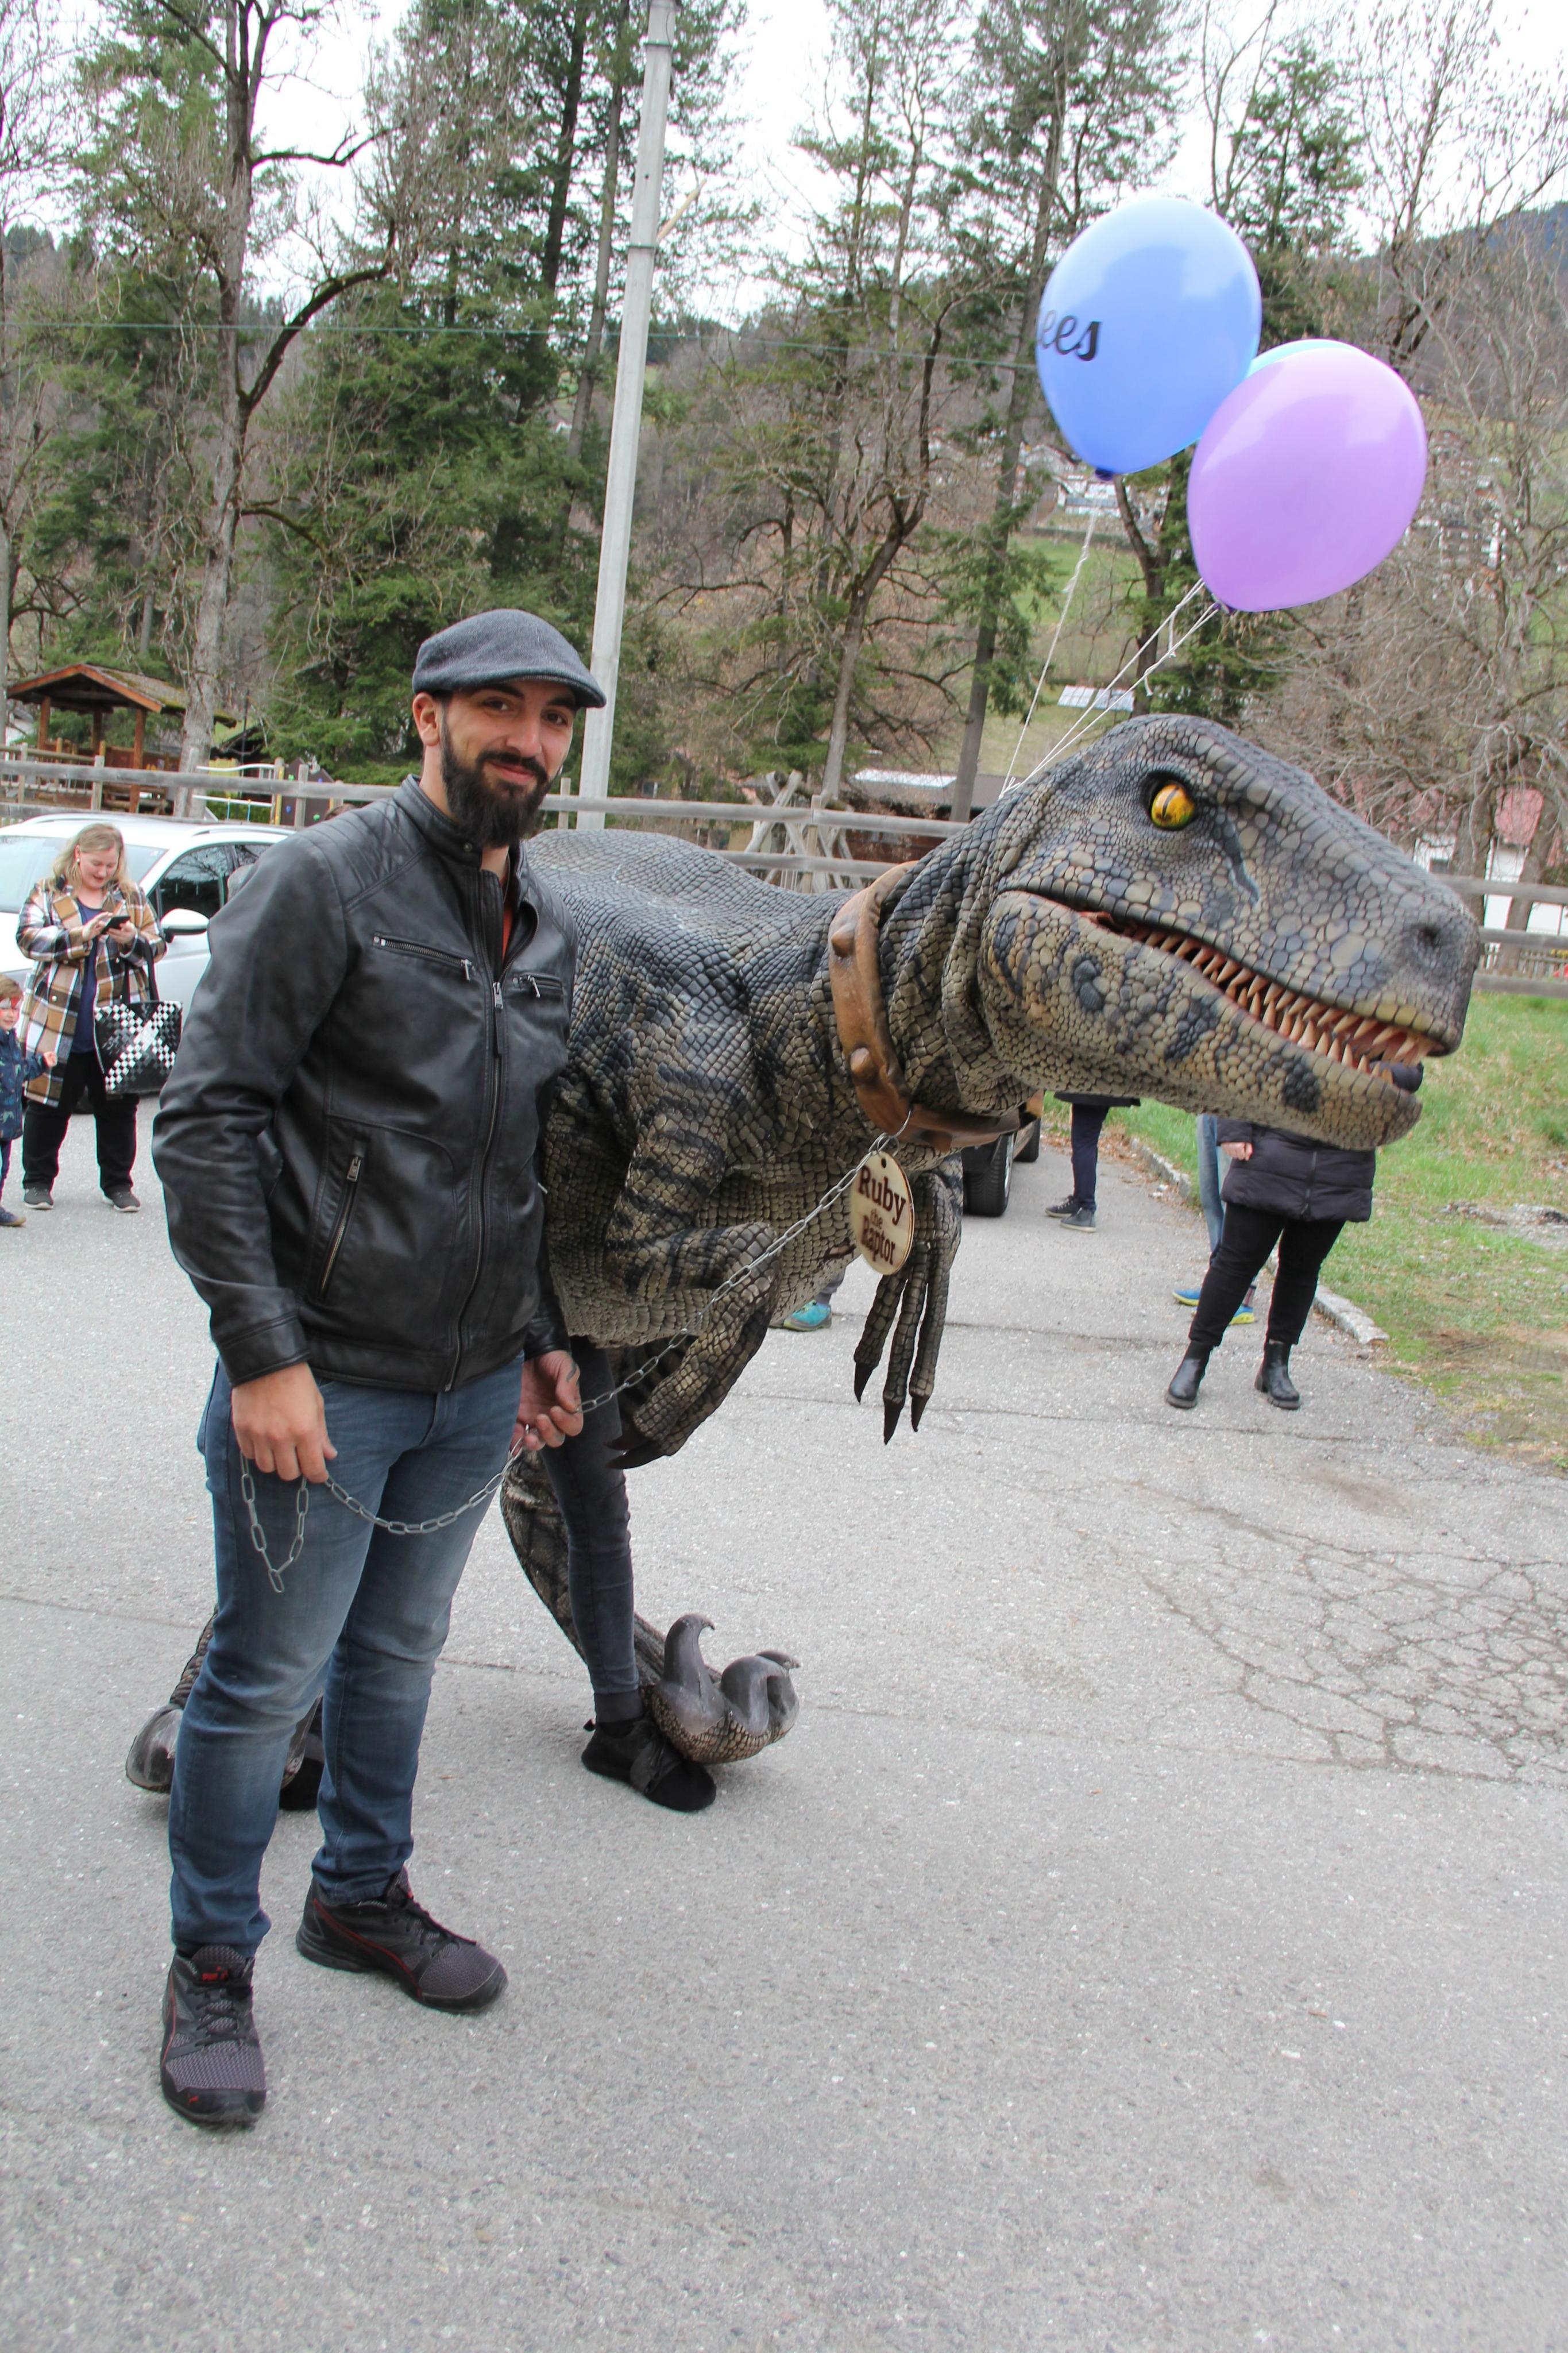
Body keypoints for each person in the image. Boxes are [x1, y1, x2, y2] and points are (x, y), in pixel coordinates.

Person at [149, 610, 600, 2130]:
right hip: (321, 1380)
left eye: (552, 716)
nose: (527, 740)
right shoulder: (322, 882)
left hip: (468, 1389)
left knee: (397, 1656)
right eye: (499, 709)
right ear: (427, 717)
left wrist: (536, 1337)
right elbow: (204, 1121)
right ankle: (212, 1961)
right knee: (261, 1676)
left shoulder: (544, 928)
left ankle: (358, 1895)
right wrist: (262, 1356)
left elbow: (511, 1164)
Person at [1164, 1067, 1420, 1412]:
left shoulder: (1380, 1030)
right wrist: (1235, 1125)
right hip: (1270, 1150)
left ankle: (1277, 1363)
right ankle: (1196, 1358)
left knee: (1302, 1269)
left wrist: (1380, 1066)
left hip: (1341, 1160)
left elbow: (1411, 1074)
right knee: (1234, 1265)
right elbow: (1246, 1051)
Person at [17, 821, 165, 1213]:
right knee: (48, 1104)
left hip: (117, 1027)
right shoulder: (48, 891)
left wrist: (131, 941)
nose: (103, 872)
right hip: (58, 1022)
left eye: (110, 865)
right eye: (97, 864)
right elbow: (27, 938)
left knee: (119, 1109)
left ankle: (118, 1185)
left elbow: (157, 945)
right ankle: (37, 1182)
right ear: (78, 854)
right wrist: (78, 937)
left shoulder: (130, 896)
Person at [1172, 1113, 1256, 1326]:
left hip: (1237, 1114)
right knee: (1211, 1198)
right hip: (1211, 1109)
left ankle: (1242, 1295)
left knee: (1234, 1203)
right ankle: (1216, 1286)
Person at [0, 975, 55, 1225]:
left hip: (6, 1123)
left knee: (3, 1169)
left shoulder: (10, 1039)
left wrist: (41, 1063)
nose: (11, 1015)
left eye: (16, 1009)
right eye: (5, 1008)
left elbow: (18, 1070)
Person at [1045, 1090, 1139, 1232]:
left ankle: (1086, 1210)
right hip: (1099, 1086)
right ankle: (1080, 1200)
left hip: (1094, 1087)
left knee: (1084, 1141)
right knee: (1084, 1139)